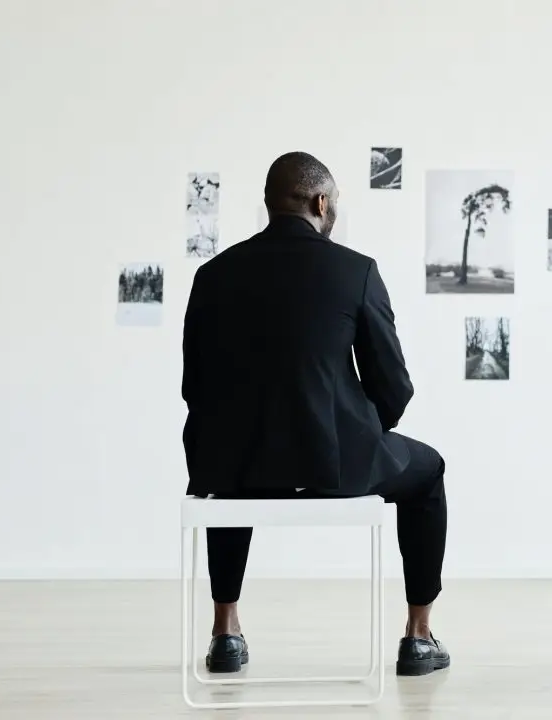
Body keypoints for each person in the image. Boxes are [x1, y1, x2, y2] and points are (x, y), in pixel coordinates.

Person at [181, 151, 450, 678]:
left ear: (269, 203)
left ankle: (225, 632)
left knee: (230, 465)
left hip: (234, 466)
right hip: (338, 463)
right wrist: (363, 429)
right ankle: (419, 638)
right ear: (321, 202)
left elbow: (197, 387)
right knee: (429, 471)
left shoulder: (213, 275)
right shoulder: (356, 271)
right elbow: (393, 385)